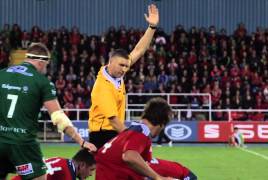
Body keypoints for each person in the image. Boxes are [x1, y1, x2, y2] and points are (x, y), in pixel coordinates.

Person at [0, 43, 97, 180]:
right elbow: (59, 118)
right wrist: (81, 141)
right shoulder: (42, 82)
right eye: (46, 65)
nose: (46, 69)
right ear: (41, 62)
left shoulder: (2, 74)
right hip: (23, 144)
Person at [88, 4, 160, 149]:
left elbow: (139, 50)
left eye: (127, 66)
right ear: (110, 62)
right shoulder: (103, 86)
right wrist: (131, 137)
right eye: (121, 65)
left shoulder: (116, 74)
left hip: (112, 131)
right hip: (103, 134)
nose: (124, 69)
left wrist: (151, 28)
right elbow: (113, 120)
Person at [95, 97, 174, 180]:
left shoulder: (131, 131)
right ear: (161, 124)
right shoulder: (141, 132)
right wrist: (158, 177)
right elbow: (129, 157)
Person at [11, 149, 96, 180]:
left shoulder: (61, 160)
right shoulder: (68, 175)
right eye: (91, 169)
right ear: (82, 165)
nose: (91, 174)